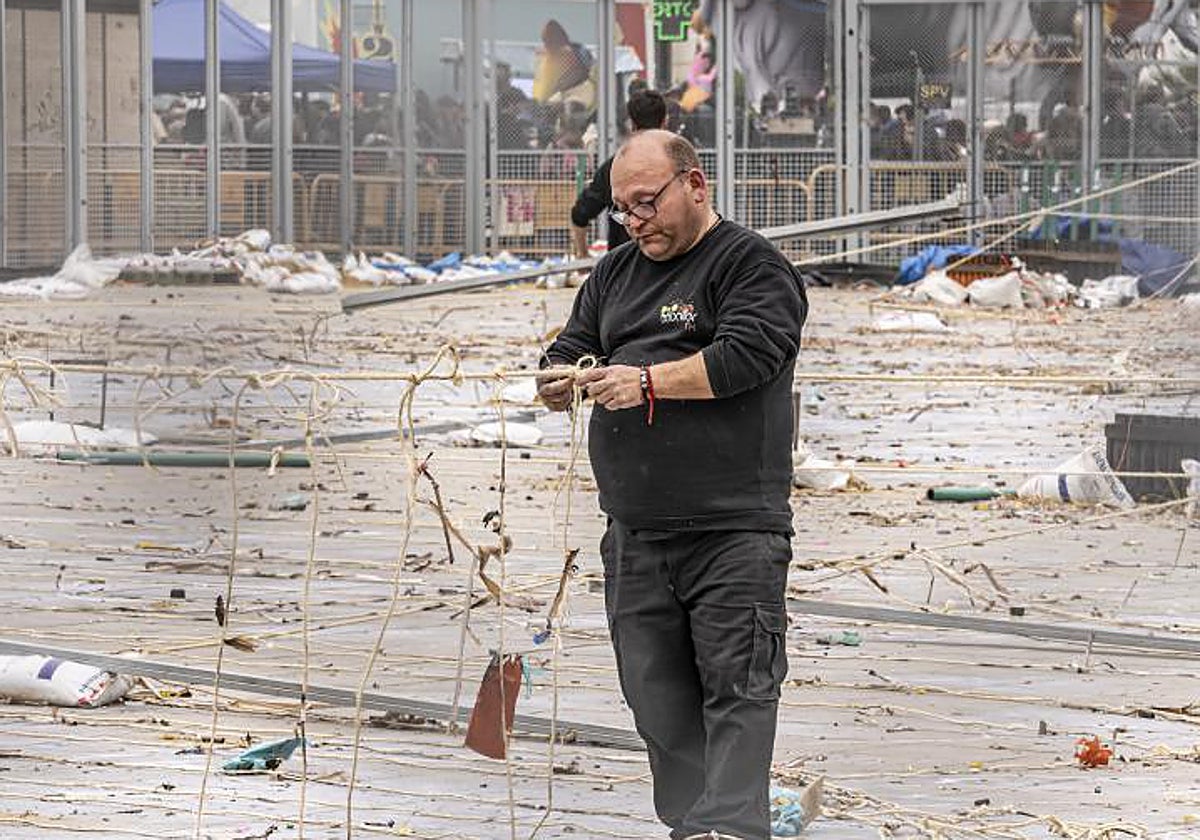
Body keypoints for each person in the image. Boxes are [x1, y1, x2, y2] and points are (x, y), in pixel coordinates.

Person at [537, 129, 808, 840]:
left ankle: (729, 827)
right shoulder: (616, 272)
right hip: (635, 532)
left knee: (738, 688)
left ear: (695, 184)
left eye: (648, 203)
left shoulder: (751, 266)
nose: (636, 221)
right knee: (655, 696)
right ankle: (691, 825)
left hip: (732, 530)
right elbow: (570, 343)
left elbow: (749, 354)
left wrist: (648, 382)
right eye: (623, 210)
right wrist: (558, 378)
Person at [569, 88, 668, 258]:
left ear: (631, 124)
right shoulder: (678, 164)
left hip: (625, 266)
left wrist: (582, 254)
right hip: (673, 266)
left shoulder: (614, 168)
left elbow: (579, 214)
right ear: (665, 121)